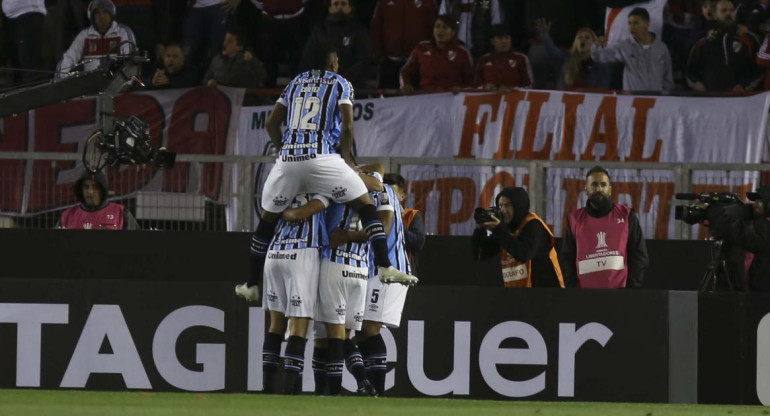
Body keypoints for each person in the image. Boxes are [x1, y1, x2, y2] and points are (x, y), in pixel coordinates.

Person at [234, 43, 417, 309]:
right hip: (322, 158)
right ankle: (385, 266)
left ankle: (250, 284)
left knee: (266, 220)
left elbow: (271, 123)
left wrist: (284, 149)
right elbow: (348, 125)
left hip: (288, 160)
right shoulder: (341, 83)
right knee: (365, 204)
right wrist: (348, 161)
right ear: (333, 63)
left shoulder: (294, 82)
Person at [258, 194, 328, 394]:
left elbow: (266, 216)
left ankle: (268, 389)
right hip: (302, 252)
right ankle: (289, 392)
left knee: (275, 325)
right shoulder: (322, 184)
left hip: (274, 253)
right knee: (298, 327)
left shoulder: (282, 186)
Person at [357, 171, 413, 396]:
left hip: (387, 272)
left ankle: (376, 392)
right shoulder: (370, 191)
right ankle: (370, 388)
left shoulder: (382, 191)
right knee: (361, 331)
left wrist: (347, 236)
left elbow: (384, 228)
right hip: (375, 272)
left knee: (369, 329)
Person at [559, 166, 649, 289]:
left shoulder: (626, 215)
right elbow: (566, 258)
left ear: (610, 189)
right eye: (594, 184)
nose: (599, 189)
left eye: (603, 184)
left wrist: (630, 289)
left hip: (620, 297)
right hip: (584, 298)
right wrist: (574, 289)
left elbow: (639, 256)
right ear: (586, 189)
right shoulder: (575, 219)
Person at [472, 187, 564, 288]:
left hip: (547, 293)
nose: (502, 210)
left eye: (507, 205)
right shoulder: (506, 228)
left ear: (518, 206)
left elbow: (523, 254)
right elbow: (481, 254)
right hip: (519, 295)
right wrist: (480, 230)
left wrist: (500, 230)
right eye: (500, 205)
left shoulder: (533, 225)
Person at [590, 7, 674, 91]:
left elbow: (667, 79)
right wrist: (596, 45)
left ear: (646, 23)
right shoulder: (625, 46)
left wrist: (665, 97)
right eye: (629, 23)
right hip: (632, 100)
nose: (631, 27)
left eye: (636, 23)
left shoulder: (661, 48)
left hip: (655, 101)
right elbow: (599, 56)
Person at [704, 185, 770, 292]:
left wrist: (717, 215)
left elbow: (740, 233)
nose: (754, 205)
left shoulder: (765, 229)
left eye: (760, 201)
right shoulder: (760, 225)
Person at [687, 0, 762, 91]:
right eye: (723, 10)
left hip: (740, 100)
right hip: (708, 100)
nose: (728, 13)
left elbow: (759, 69)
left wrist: (743, 86)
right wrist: (697, 83)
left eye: (731, 10)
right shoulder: (703, 41)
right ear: (714, 15)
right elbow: (690, 70)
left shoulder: (748, 39)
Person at [300, 0, 373, 90]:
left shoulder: (359, 30)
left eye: (343, 4)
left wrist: (341, 80)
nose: (339, 7)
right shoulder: (319, 30)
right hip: (322, 86)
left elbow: (364, 60)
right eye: (336, 4)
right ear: (330, 8)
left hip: (352, 88)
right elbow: (308, 58)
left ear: (350, 7)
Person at [56, 0, 137, 78]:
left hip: (117, 87)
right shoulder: (84, 35)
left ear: (111, 15)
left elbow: (130, 60)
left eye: (105, 12)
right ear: (92, 17)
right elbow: (68, 57)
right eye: (98, 13)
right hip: (90, 86)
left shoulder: (123, 32)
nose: (101, 16)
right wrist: (60, 77)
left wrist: (126, 82)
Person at [399, 14, 474, 94]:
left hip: (451, 97)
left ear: (453, 32)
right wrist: (405, 85)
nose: (440, 30)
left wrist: (461, 89)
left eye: (445, 27)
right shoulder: (422, 47)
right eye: (437, 26)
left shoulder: (462, 52)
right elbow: (405, 71)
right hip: (425, 95)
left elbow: (472, 80)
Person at [371, 0, 437, 89]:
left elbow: (434, 28)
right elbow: (376, 27)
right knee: (389, 98)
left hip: (418, 63)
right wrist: (380, 55)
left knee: (418, 99)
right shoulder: (384, 2)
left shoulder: (427, 2)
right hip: (390, 61)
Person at [536, 19, 614, 89]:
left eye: (587, 38)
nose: (582, 40)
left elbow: (603, 88)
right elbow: (553, 52)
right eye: (579, 37)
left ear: (594, 42)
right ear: (575, 43)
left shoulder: (601, 63)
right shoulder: (567, 59)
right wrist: (545, 35)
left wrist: (600, 50)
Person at [58, 170, 139, 230]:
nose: (90, 192)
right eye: (86, 187)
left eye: (95, 187)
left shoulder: (121, 213)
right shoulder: (67, 216)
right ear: (80, 190)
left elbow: (136, 242)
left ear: (102, 189)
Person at [383, 173, 425, 273]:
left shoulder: (412, 215)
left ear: (402, 196)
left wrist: (394, 221)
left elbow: (418, 243)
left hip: (403, 273)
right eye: (384, 194)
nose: (388, 198)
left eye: (392, 194)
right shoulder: (372, 215)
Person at [475, 24, 533, 92]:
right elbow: (475, 86)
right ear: (492, 41)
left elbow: (529, 86)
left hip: (514, 101)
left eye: (507, 37)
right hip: (488, 101)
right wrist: (485, 87)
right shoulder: (483, 60)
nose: (504, 41)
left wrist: (511, 90)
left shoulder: (521, 58)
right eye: (500, 38)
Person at [439, 0, 503, 59]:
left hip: (482, 52)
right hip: (453, 52)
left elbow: (497, 29)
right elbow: (441, 25)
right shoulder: (448, 1)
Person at [2, 0, 47, 83]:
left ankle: (33, 91)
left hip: (28, 12)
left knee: (29, 65)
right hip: (11, 16)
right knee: (17, 65)